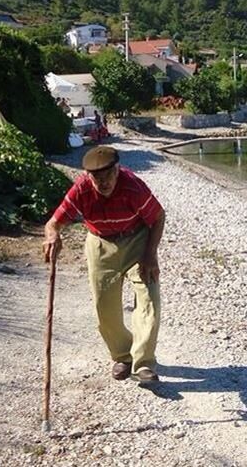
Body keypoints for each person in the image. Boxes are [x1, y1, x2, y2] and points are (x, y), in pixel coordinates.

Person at [43, 146, 165, 383]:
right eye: (97, 178)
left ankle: (143, 364)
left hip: (136, 240)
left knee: (149, 297)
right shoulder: (82, 189)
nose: (104, 182)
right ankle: (122, 356)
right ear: (88, 176)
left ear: (118, 169)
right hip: (99, 244)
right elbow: (53, 223)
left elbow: (158, 216)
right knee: (104, 308)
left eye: (108, 175)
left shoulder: (132, 186)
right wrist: (52, 236)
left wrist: (150, 254)